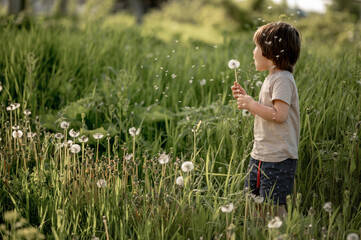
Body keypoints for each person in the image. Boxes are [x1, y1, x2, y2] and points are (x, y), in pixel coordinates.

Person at [231, 22, 301, 218]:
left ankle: (282, 234)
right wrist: (248, 102)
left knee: (274, 208)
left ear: (271, 52)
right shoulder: (272, 78)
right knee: (255, 204)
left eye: (257, 47)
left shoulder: (283, 80)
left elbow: (279, 115)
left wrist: (252, 104)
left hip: (278, 158)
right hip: (261, 154)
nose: (253, 52)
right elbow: (269, 114)